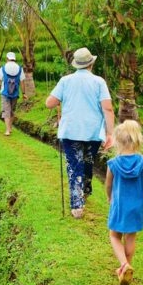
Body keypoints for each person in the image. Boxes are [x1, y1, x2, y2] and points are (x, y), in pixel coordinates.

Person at [46, 47, 115, 219]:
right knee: (87, 161)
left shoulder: (65, 81)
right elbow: (108, 109)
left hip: (70, 130)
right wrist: (110, 133)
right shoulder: (99, 82)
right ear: (91, 63)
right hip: (92, 131)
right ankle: (85, 191)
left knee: (74, 165)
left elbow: (49, 103)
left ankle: (77, 205)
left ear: (76, 65)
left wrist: (59, 99)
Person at [105, 120, 143, 285]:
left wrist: (109, 197)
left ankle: (124, 265)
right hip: (137, 207)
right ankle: (126, 269)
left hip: (120, 206)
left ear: (117, 141)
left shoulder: (113, 164)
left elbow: (108, 184)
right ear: (137, 140)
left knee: (114, 235)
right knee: (130, 236)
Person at [0, 51, 26, 135]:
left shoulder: (3, 68)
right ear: (14, 59)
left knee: (6, 111)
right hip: (15, 93)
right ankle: (10, 127)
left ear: (7, 58)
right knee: (12, 111)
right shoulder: (19, 68)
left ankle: (7, 130)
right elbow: (22, 82)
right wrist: (24, 93)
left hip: (5, 93)